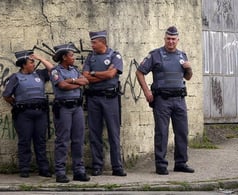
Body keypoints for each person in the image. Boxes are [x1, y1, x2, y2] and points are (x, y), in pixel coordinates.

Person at [135, 26, 195, 175]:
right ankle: (161, 165)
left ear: (177, 40)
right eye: (168, 38)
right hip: (162, 100)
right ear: (164, 39)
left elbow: (187, 77)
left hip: (179, 99)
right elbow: (139, 72)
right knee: (162, 132)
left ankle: (181, 163)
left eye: (173, 39)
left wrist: (189, 69)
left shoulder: (182, 55)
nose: (171, 41)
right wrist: (147, 91)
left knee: (182, 132)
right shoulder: (155, 55)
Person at [82, 30, 127, 177]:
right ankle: (97, 166)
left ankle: (117, 166)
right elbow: (85, 77)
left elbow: (111, 74)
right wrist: (101, 75)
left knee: (114, 133)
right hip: (93, 99)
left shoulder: (115, 55)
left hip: (110, 98)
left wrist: (94, 74)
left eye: (94, 42)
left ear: (102, 42)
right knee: (95, 133)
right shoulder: (90, 57)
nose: (92, 45)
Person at [3, 50, 53, 178]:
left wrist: (40, 58)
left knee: (40, 141)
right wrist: (17, 104)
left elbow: (52, 69)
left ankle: (44, 168)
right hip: (24, 114)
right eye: (31, 62)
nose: (33, 64)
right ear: (24, 65)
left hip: (40, 113)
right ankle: (24, 168)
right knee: (24, 141)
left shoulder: (40, 74)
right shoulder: (16, 77)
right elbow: (7, 95)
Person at [50, 43, 90, 183]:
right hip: (63, 108)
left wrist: (72, 80)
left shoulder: (74, 70)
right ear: (64, 57)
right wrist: (75, 83)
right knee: (62, 140)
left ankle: (79, 170)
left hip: (77, 107)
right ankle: (60, 172)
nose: (74, 57)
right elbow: (62, 85)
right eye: (71, 55)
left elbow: (85, 80)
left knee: (78, 140)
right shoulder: (56, 71)